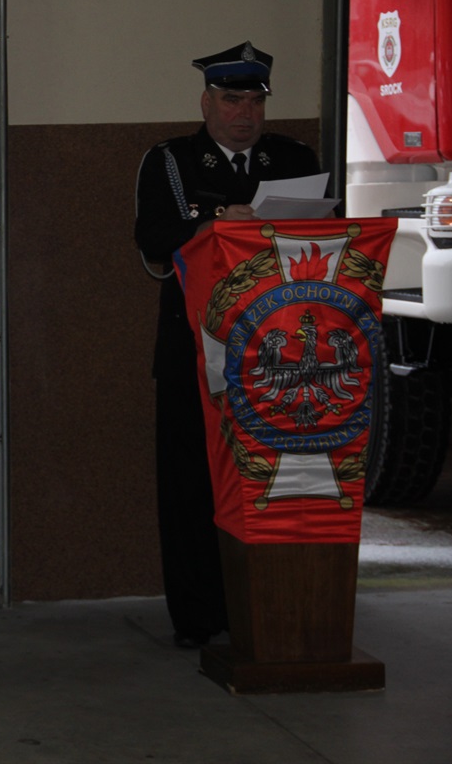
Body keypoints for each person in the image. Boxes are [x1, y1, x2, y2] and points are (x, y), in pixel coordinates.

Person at [133, 42, 323, 649]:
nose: (245, 113)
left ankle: (270, 603)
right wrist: (213, 224)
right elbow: (152, 239)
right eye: (231, 100)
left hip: (280, 353)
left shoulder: (294, 158)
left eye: (255, 102)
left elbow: (326, 236)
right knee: (191, 483)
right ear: (206, 102)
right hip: (195, 348)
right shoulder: (172, 161)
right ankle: (199, 616)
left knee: (271, 480)